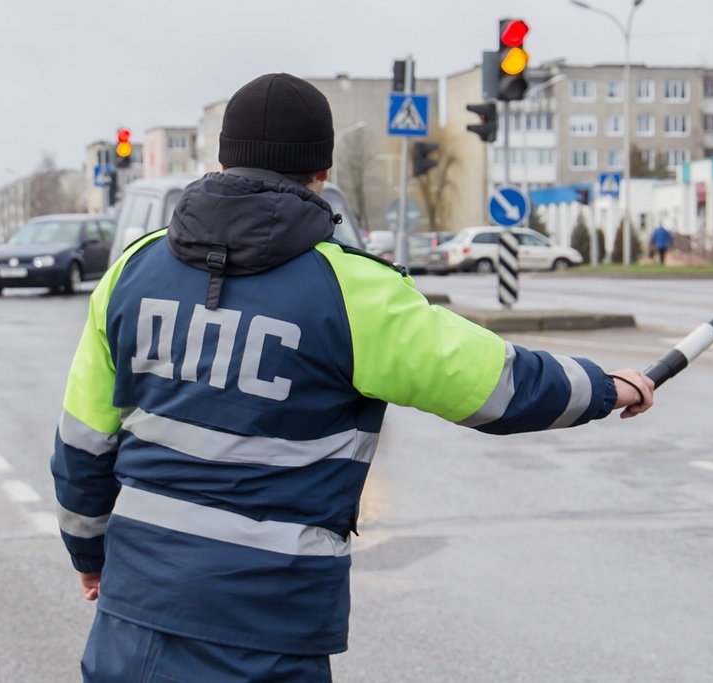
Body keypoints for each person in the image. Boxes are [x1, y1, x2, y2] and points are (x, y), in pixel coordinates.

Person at [51, 73, 656, 682]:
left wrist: (89, 553)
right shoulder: (352, 292)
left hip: (131, 622)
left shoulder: (133, 270)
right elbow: (498, 386)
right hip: (264, 632)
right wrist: (607, 388)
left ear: (222, 160)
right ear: (321, 171)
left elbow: (82, 443)